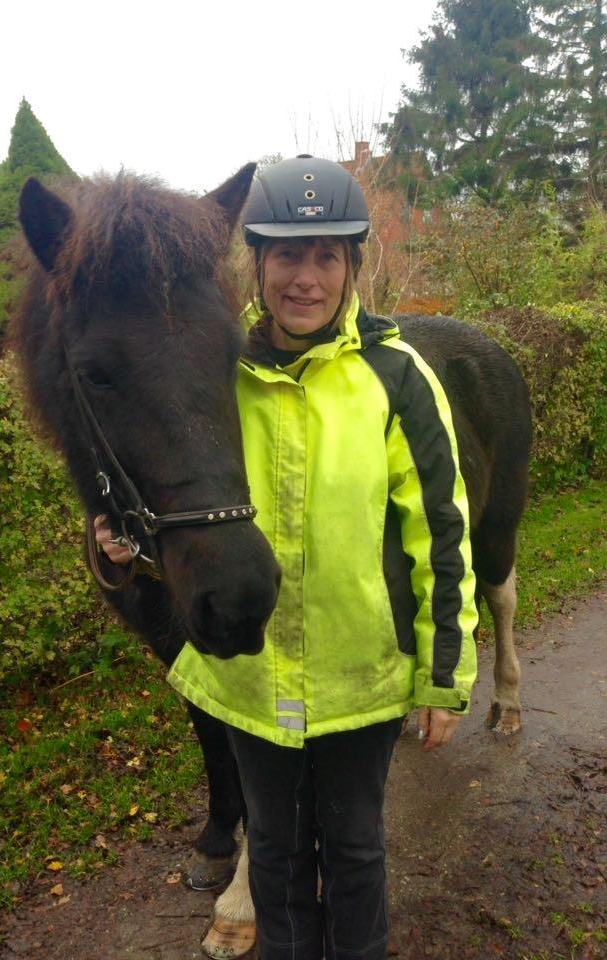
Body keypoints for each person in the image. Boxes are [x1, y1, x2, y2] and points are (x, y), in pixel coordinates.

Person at [98, 155, 478, 960]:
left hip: (359, 673)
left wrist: (443, 674)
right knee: (272, 851)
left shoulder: (397, 378)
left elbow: (441, 534)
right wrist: (117, 553)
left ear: (351, 267)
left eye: (326, 257)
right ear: (257, 263)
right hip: (252, 674)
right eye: (286, 256)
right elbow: (169, 497)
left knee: (353, 850)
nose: (305, 279)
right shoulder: (219, 372)